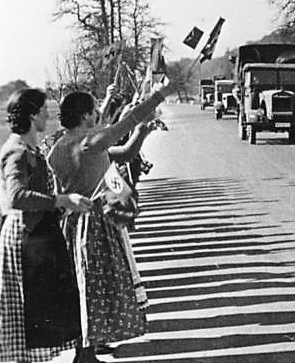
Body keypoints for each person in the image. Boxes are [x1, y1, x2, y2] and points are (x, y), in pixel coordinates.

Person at [47, 82, 173, 362]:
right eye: (93, 110)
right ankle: (86, 354)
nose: (97, 115)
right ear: (84, 115)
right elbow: (129, 120)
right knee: (97, 289)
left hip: (70, 226)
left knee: (81, 290)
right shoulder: (91, 141)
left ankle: (85, 352)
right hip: (95, 225)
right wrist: (160, 96)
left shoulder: (56, 149)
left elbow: (62, 191)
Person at [0, 88, 93, 363]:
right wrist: (60, 199)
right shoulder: (17, 151)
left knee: (40, 314)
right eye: (43, 110)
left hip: (38, 235)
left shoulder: (28, 148)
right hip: (25, 239)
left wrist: (60, 205)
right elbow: (16, 197)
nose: (48, 114)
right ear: (31, 115)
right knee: (27, 315)